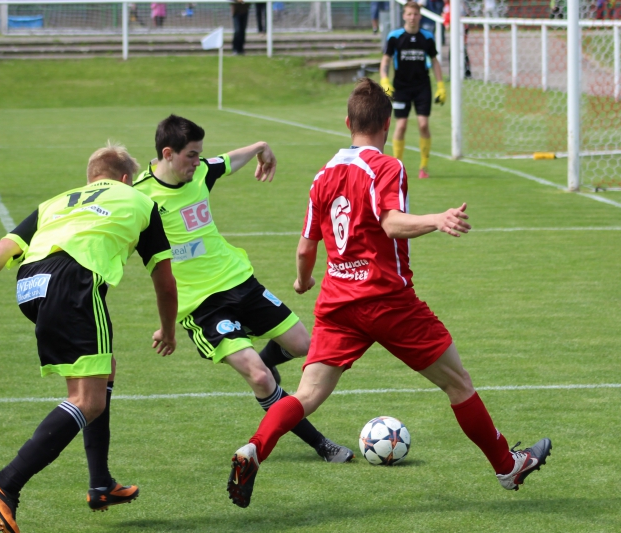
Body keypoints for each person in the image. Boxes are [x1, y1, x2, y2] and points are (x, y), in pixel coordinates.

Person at [227, 78, 552, 509]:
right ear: (387, 124)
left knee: (305, 396)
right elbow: (391, 222)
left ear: (348, 123)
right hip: (387, 301)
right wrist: (437, 219)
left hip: (337, 304)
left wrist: (302, 280)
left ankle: (254, 448)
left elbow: (306, 247)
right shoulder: (387, 166)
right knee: (457, 383)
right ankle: (507, 465)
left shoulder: (322, 175)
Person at [0, 143, 179, 533]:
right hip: (73, 282)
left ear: (91, 178)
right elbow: (165, 281)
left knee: (103, 369)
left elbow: (5, 246)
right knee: (87, 400)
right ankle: (6, 482)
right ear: (125, 178)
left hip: (30, 285)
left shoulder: (57, 202)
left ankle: (101, 484)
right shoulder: (140, 200)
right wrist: (168, 330)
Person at [133, 114, 355, 465]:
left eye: (199, 154)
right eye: (191, 155)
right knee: (259, 377)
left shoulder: (201, 172)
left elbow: (228, 160)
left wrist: (261, 148)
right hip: (203, 307)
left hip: (240, 281)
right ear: (168, 153)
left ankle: (265, 358)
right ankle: (322, 444)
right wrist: (167, 325)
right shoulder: (140, 197)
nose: (198, 162)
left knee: (304, 346)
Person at [380, 1, 446, 180]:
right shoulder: (395, 37)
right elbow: (386, 60)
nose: (412, 17)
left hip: (422, 87)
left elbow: (435, 61)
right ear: (404, 16)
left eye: (415, 14)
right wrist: (384, 80)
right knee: (401, 125)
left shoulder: (427, 37)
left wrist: (441, 85)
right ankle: (397, 168)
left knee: (423, 125)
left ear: (420, 16)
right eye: (409, 14)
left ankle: (424, 166)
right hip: (401, 87)